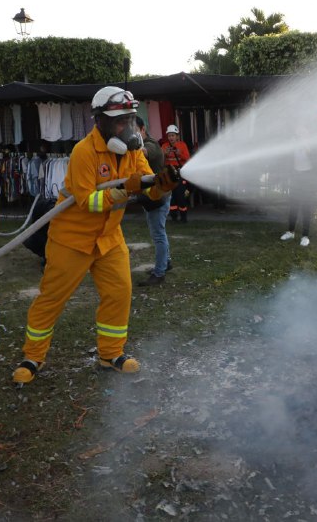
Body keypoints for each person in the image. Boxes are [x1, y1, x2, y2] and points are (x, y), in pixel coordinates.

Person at [12, 86, 180, 384]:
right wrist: (125, 190)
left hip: (108, 238)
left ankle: (110, 354)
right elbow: (89, 201)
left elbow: (147, 189)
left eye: (129, 120)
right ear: (98, 120)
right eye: (119, 121)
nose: (126, 127)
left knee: (119, 293)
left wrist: (162, 185)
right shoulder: (83, 152)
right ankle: (32, 357)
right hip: (71, 238)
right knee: (52, 299)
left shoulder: (133, 150)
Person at [136, 116, 172, 287]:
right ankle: (166, 263)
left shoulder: (151, 145)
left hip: (158, 197)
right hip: (156, 196)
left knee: (158, 235)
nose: (131, 135)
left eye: (134, 130)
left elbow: (144, 152)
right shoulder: (146, 142)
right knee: (160, 231)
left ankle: (159, 274)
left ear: (143, 129)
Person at [279, 130, 317, 247]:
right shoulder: (293, 141)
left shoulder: (312, 142)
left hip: (308, 177)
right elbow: (288, 158)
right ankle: (291, 232)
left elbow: (313, 157)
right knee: (293, 206)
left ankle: (305, 236)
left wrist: (304, 144)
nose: (300, 132)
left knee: (306, 207)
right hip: (296, 176)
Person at [162, 125, 191, 222]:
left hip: (179, 172)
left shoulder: (182, 145)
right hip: (169, 173)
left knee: (180, 195)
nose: (171, 137)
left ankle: (183, 217)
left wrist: (180, 154)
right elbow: (159, 161)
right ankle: (173, 217)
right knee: (171, 196)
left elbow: (188, 159)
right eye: (169, 135)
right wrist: (164, 154)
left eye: (173, 135)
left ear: (177, 136)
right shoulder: (164, 146)